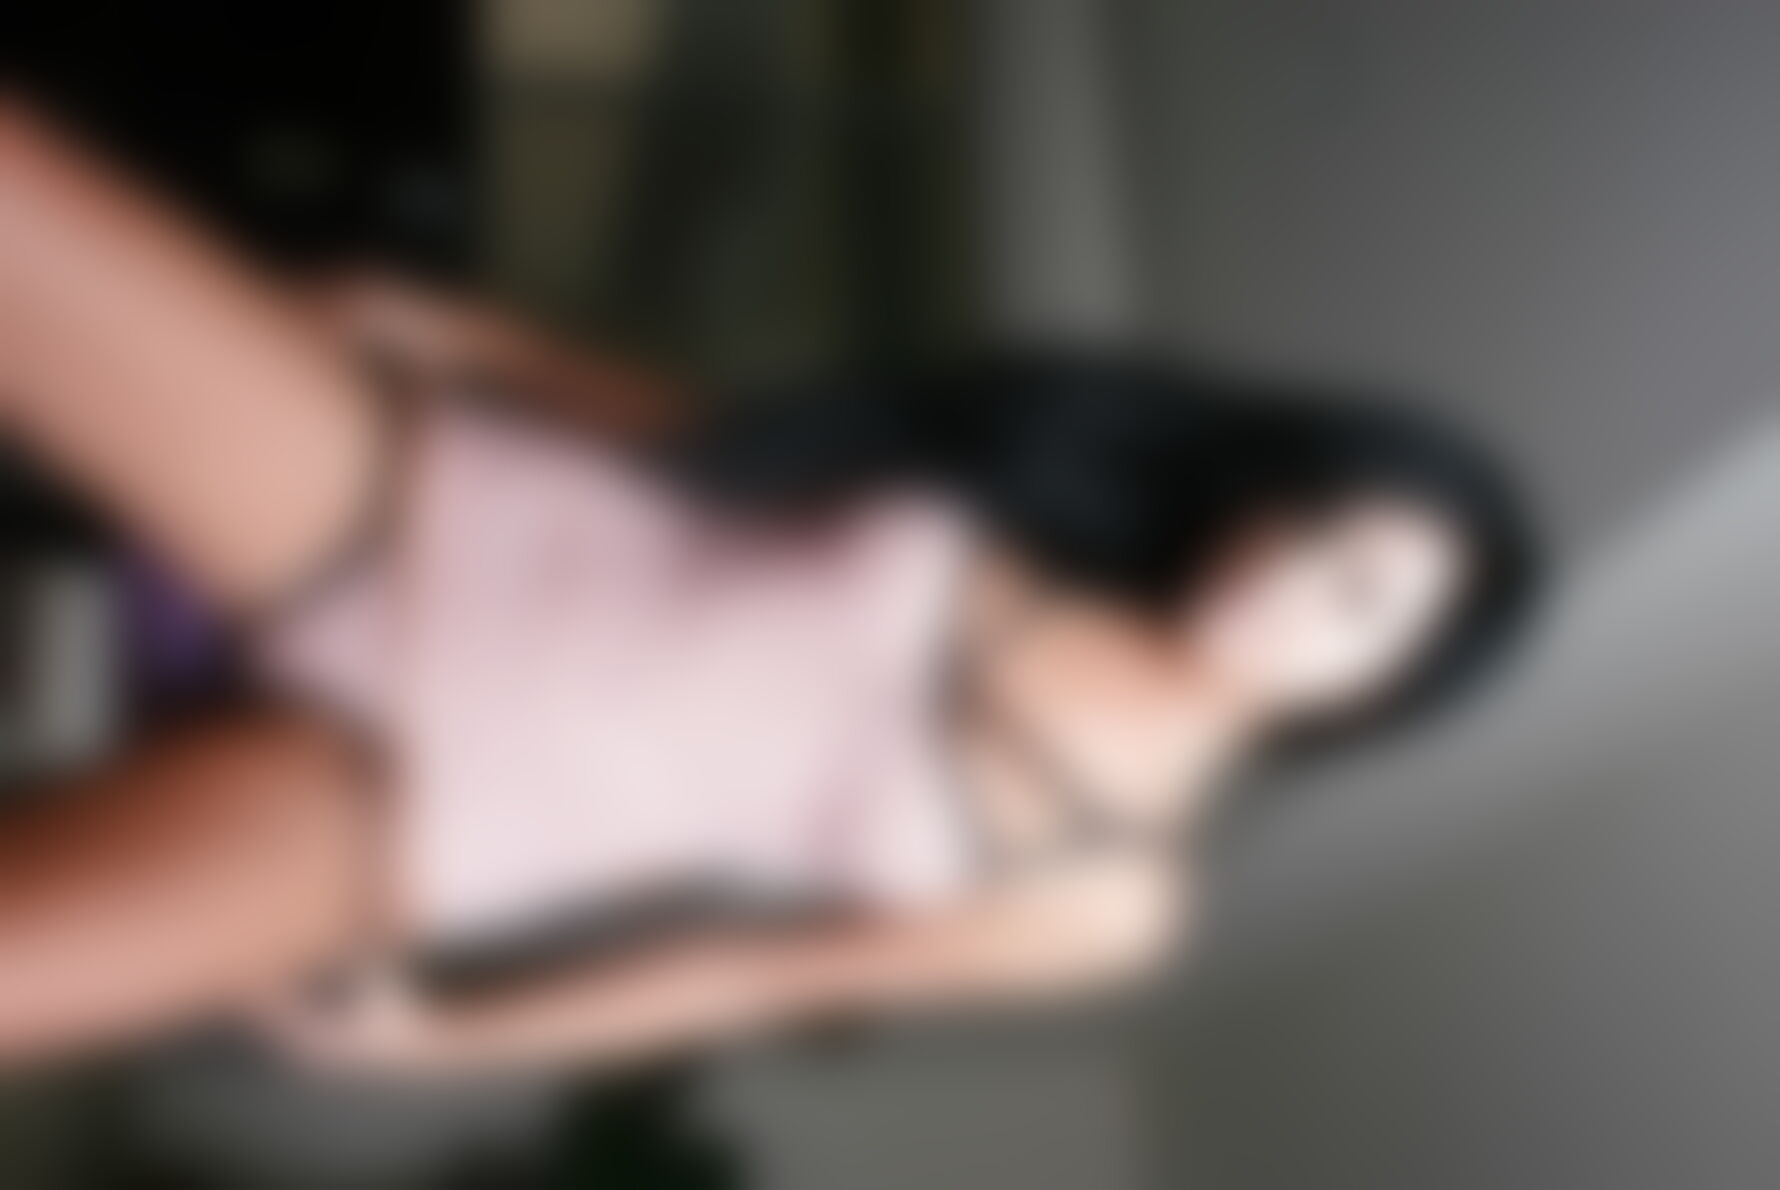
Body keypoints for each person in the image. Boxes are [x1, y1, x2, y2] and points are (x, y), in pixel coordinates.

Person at [0, 97, 1537, 1076]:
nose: (1293, 572)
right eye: (1316, 520)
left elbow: (749, 973)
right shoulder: (1061, 513)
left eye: (1359, 600)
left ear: (1379, 697)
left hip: (416, 808)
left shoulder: (1112, 897)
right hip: (418, 511)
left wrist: (441, 1040)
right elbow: (725, 449)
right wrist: (456, 332)